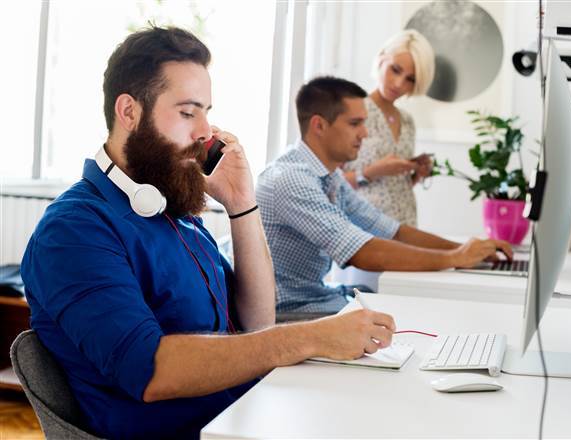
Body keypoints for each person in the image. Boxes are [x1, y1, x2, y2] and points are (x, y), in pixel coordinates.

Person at [20, 27, 396, 440]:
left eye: (206, 111)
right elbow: (149, 370)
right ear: (129, 111)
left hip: (244, 415)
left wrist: (242, 205)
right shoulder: (73, 231)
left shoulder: (167, 206)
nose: (205, 131)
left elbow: (257, 322)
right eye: (187, 112)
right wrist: (309, 337)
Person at [255, 76, 512, 314]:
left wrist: (467, 249)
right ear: (319, 125)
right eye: (355, 123)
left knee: (401, 309)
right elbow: (361, 252)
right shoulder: (290, 178)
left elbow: (391, 230)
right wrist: (455, 258)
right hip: (288, 310)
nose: (364, 133)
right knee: (404, 316)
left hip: (316, 296)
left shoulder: (330, 176)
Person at [343, 29, 435, 227]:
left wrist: (416, 173)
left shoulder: (408, 121)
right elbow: (328, 183)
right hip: (363, 229)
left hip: (406, 226)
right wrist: (370, 172)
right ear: (382, 59)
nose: (399, 83)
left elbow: (393, 186)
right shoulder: (353, 110)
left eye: (410, 79)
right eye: (395, 69)